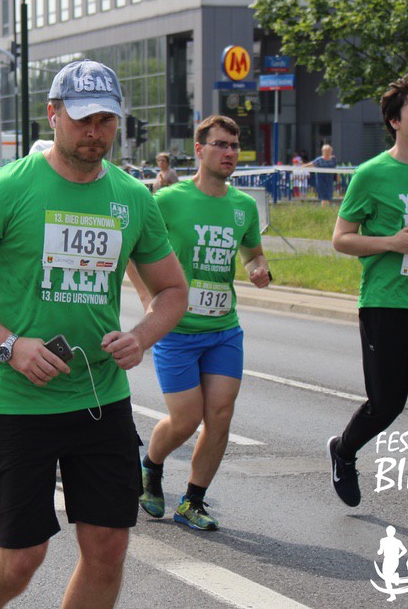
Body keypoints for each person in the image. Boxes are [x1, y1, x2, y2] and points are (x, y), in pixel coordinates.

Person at [0, 59, 187, 609]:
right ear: (53, 115)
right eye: (83, 118)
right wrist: (9, 345)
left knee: (108, 548)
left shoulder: (133, 197)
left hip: (99, 398)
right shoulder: (7, 188)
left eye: (106, 120)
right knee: (21, 557)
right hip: (19, 401)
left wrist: (142, 336)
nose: (95, 132)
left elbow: (171, 291)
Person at [327, 74, 408, 537]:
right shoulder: (371, 174)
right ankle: (344, 450)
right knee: (386, 404)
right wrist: (390, 243)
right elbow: (341, 239)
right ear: (394, 121)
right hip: (384, 304)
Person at [133, 115, 271, 531]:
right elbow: (134, 252)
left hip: (223, 329)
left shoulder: (244, 206)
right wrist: (150, 301)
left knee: (221, 414)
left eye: (234, 146)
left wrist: (258, 268)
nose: (229, 152)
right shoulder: (167, 200)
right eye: (220, 144)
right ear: (199, 149)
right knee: (186, 419)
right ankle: (151, 466)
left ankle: (193, 500)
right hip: (176, 330)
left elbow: (252, 253)